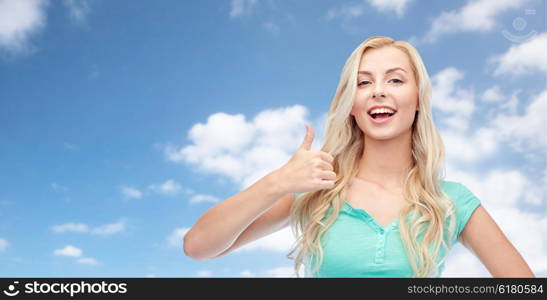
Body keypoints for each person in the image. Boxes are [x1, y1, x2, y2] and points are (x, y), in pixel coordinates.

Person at [183, 36, 535, 278]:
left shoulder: (451, 201)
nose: (378, 90)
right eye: (364, 83)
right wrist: (278, 182)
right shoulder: (317, 190)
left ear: (418, 99)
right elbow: (199, 246)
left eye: (395, 80)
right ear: (350, 104)